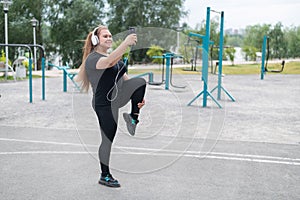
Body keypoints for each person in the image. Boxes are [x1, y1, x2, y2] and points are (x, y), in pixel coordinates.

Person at [76, 25, 146, 188]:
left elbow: (128, 82)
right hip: (104, 104)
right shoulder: (93, 59)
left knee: (140, 82)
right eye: (105, 36)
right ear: (96, 40)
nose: (109, 38)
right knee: (108, 139)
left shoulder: (117, 60)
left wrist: (138, 100)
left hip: (117, 98)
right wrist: (126, 43)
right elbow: (107, 62)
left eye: (110, 36)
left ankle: (133, 119)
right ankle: (104, 175)